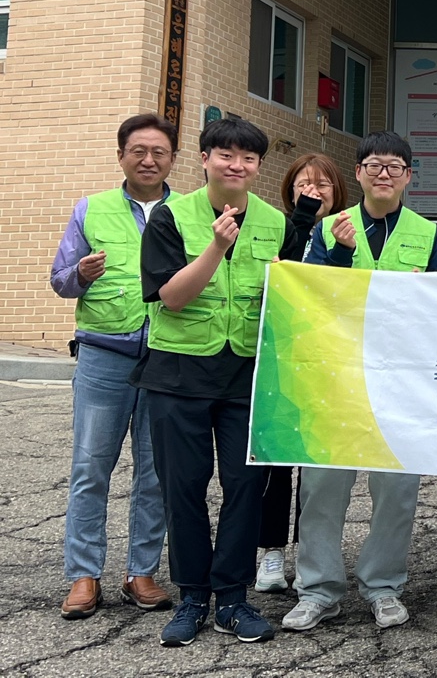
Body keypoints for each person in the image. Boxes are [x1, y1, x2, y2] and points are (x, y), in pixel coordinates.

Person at [137, 118, 313, 647]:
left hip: (246, 376)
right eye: (226, 155)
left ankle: (233, 599)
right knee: (183, 488)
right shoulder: (170, 216)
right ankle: (193, 596)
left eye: (248, 158)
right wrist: (215, 247)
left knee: (245, 488)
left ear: (259, 167)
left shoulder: (277, 223)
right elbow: (171, 298)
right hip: (179, 375)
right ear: (205, 158)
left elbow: (292, 297)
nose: (237, 166)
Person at [282, 132, 437, 634]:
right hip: (337, 375)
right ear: (357, 173)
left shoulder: (427, 234)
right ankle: (318, 589)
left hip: (402, 380)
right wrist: (338, 252)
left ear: (408, 176)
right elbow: (311, 297)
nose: (384, 174)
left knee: (396, 490)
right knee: (322, 487)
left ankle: (383, 586)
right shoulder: (329, 228)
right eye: (374, 165)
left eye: (395, 166)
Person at [50, 114, 178, 620]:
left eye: (159, 152)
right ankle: (83, 576)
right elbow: (60, 280)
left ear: (173, 159)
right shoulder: (91, 208)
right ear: (120, 155)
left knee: (156, 473)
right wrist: (80, 274)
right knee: (90, 468)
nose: (148, 160)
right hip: (104, 356)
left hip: (167, 357)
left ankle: (141, 573)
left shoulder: (187, 212)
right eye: (138, 150)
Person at [253, 152, 348, 596]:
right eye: (303, 185)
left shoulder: (348, 230)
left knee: (316, 465)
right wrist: (302, 220)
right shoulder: (275, 227)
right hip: (278, 357)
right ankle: (271, 551)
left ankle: (312, 558)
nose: (313, 192)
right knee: (275, 461)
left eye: (322, 185)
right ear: (289, 191)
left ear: (338, 191)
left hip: (328, 360)